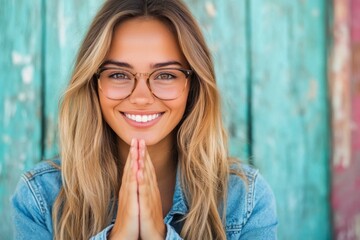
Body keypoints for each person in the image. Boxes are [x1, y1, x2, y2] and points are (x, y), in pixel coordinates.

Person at [11, 0, 278, 239]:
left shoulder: (244, 199)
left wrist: (160, 236)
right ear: (94, 84)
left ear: (192, 86)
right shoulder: (39, 197)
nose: (141, 97)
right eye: (118, 74)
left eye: (165, 75)